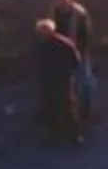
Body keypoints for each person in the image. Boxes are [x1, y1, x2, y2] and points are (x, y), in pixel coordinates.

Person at [33, 17, 84, 146]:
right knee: (51, 109)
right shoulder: (39, 45)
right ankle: (55, 137)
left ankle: (74, 136)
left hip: (62, 81)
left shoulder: (64, 44)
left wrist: (66, 73)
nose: (42, 34)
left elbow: (75, 60)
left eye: (44, 31)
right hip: (47, 81)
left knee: (67, 109)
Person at [51, 0, 95, 121]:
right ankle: (73, 107)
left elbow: (86, 34)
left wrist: (80, 50)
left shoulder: (79, 13)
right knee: (69, 79)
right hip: (63, 52)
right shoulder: (55, 12)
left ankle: (87, 107)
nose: (61, 0)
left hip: (79, 49)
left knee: (84, 78)